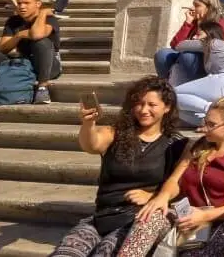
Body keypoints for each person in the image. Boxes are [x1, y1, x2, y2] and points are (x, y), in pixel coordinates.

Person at [50, 77, 187, 257]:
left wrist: (155, 196)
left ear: (166, 107)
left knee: (105, 251)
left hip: (136, 221)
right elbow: (91, 144)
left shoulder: (176, 144)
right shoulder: (116, 133)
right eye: (138, 104)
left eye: (152, 105)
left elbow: (183, 186)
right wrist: (88, 123)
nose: (144, 110)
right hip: (101, 218)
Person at [119, 92, 224, 257]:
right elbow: (175, 181)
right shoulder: (199, 146)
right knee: (147, 219)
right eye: (205, 122)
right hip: (189, 216)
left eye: (211, 124)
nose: (204, 128)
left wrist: (205, 215)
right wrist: (162, 196)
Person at [173, 21, 224, 127]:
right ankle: (210, 123)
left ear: (209, 33)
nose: (195, 37)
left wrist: (188, 24)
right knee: (177, 108)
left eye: (199, 34)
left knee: (170, 95)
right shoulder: (219, 49)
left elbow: (179, 45)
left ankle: (212, 110)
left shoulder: (214, 43)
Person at [155, 0, 224, 87]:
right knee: (162, 54)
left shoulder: (221, 22)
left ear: (209, 7)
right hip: (186, 57)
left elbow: (212, 47)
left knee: (188, 56)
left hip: (209, 63)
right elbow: (174, 45)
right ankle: (166, 87)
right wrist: (188, 23)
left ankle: (191, 87)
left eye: (197, 5)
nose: (192, 8)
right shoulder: (194, 21)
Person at [0, 0, 60, 104]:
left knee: (42, 42)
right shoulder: (13, 21)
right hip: (24, 63)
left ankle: (42, 88)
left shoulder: (49, 19)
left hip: (49, 66)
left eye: (26, 3)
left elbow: (37, 35)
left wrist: (43, 12)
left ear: (38, 4)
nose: (21, 6)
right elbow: (3, 48)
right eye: (20, 3)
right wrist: (19, 35)